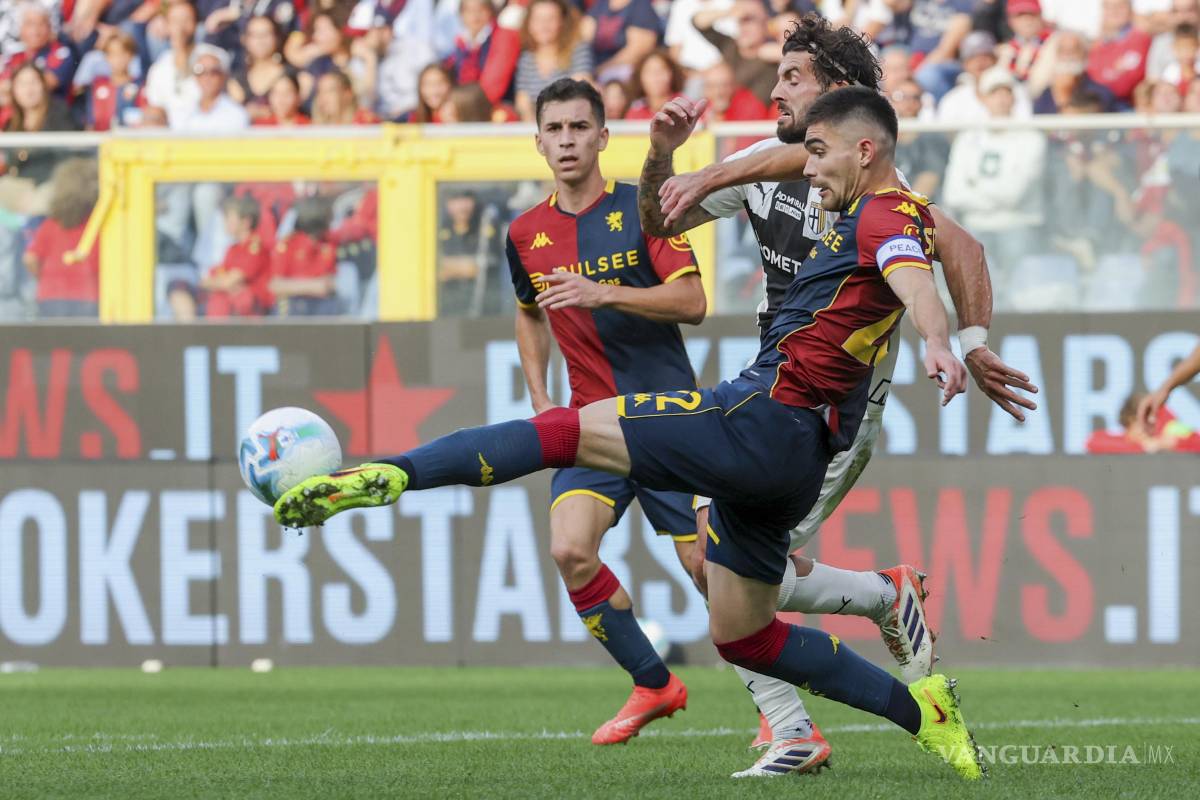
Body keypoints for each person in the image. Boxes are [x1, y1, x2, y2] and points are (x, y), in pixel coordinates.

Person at [274, 86, 985, 783]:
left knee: (560, 433)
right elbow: (916, 265)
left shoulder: (881, 217)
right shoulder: (905, 213)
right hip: (793, 461)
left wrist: (938, 340)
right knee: (746, 635)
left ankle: (388, 476)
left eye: (819, 152)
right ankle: (929, 721)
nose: (809, 166)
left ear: (866, 150)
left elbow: (912, 280)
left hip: (757, 418)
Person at [635, 14, 1036, 775]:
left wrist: (970, 343)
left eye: (793, 78)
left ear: (839, 97)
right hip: (770, 392)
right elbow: (660, 217)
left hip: (834, 412)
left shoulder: (874, 185)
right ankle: (879, 600)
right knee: (714, 559)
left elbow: (962, 248)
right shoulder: (765, 164)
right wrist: (663, 156)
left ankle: (796, 723)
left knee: (718, 562)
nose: (777, 89)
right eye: (779, 76)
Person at [477, 79, 705, 744]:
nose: (569, 140)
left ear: (604, 137)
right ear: (539, 142)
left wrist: (604, 293)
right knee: (570, 549)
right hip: (589, 423)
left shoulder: (645, 208)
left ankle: (778, 711)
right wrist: (541, 398)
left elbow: (691, 302)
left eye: (581, 127)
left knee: (707, 570)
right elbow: (528, 311)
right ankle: (654, 683)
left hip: (667, 421)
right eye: (557, 129)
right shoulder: (525, 231)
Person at [168, 193, 270, 320]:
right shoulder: (233, 249)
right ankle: (189, 333)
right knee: (178, 288)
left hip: (248, 310)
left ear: (246, 222)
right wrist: (217, 283)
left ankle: (211, 336)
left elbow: (229, 282)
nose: (225, 222)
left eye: (229, 218)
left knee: (221, 300)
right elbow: (211, 279)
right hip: (225, 303)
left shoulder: (255, 249)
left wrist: (219, 283)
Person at [23, 158, 100, 319]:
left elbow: (30, 258)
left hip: (50, 296)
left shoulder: (52, 224)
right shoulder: (97, 226)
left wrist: (45, 278)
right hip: (89, 295)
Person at [513, 0, 593, 122]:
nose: (544, 26)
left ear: (562, 22)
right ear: (529, 24)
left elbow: (581, 92)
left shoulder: (577, 50)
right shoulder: (526, 58)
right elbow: (522, 102)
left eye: (551, 19)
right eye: (538, 20)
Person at [269, 196, 339, 316]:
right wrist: (312, 286)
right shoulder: (288, 245)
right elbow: (276, 285)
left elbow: (328, 283)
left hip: (320, 306)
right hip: (293, 305)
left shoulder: (327, 245)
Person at [227, 15, 291, 122]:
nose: (260, 40)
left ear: (276, 37)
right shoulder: (237, 81)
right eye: (255, 35)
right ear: (245, 40)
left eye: (266, 34)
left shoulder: (292, 76)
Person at [86, 29, 146, 131]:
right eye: (113, 54)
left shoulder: (140, 86)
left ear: (131, 56)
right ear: (106, 57)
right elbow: (90, 122)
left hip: (128, 142)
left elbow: (143, 120)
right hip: (101, 142)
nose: (119, 59)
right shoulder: (97, 85)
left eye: (124, 53)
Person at [622, 49, 685, 120]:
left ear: (672, 74)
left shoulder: (685, 108)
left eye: (661, 70)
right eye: (649, 71)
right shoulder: (634, 113)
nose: (656, 76)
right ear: (640, 78)